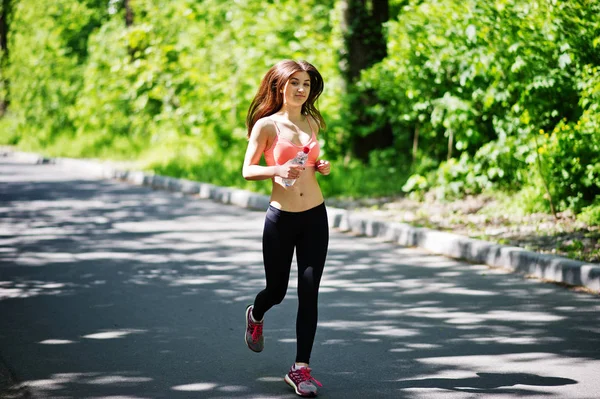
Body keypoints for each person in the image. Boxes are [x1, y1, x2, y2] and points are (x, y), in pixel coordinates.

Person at [242, 59, 331, 398]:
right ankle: (256, 313)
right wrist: (276, 169)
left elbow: (308, 163)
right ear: (280, 85)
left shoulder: (311, 121)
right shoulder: (267, 126)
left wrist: (320, 166)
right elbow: (248, 170)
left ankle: (301, 367)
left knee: (309, 292)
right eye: (294, 82)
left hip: (315, 216)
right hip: (281, 218)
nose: (300, 89)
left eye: (306, 84)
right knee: (276, 291)